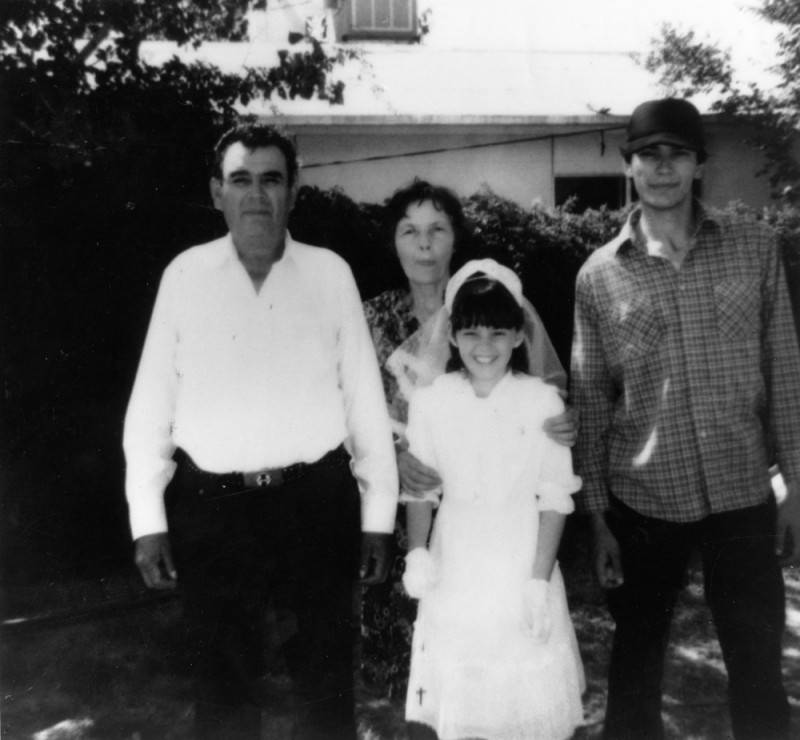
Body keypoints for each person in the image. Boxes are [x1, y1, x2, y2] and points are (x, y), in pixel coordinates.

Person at [123, 122, 398, 739]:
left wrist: (378, 515)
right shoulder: (184, 277)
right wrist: (149, 519)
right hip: (215, 509)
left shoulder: (330, 274)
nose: (255, 194)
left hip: (315, 502)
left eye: (271, 180)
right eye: (240, 180)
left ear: (293, 192)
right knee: (222, 692)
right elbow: (151, 407)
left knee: (325, 685)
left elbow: (364, 399)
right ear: (216, 191)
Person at [570, 98, 800, 740]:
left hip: (742, 492)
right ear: (630, 167)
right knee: (635, 670)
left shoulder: (754, 248)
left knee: (758, 667)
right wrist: (596, 519)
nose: (662, 168)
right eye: (649, 155)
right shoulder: (598, 276)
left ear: (700, 165)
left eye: (677, 154)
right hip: (643, 501)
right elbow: (589, 400)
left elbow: (785, 368)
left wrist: (797, 489)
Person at [360, 180, 575, 698]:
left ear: (456, 239)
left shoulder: (486, 304)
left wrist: (564, 422)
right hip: (402, 514)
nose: (425, 243)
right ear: (394, 241)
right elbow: (350, 414)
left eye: (437, 229)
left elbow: (535, 408)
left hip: (489, 527)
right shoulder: (371, 318)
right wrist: (390, 457)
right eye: (410, 231)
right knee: (416, 681)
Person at [399, 258, 585, 740]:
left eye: (499, 333)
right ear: (453, 335)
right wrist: (418, 551)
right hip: (456, 558)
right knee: (464, 697)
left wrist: (538, 582)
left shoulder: (542, 402)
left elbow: (554, 495)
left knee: (522, 694)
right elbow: (421, 486)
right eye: (472, 333)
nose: (485, 347)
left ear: (520, 335)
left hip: (521, 558)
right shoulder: (431, 400)